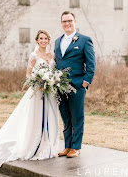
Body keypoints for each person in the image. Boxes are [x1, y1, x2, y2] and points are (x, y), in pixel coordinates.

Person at [0, 30, 59, 167]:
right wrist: (39, 81)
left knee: (50, 117)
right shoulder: (34, 55)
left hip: (50, 92)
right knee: (36, 118)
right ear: (37, 40)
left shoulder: (52, 55)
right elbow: (28, 74)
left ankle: (49, 146)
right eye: (41, 38)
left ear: (48, 40)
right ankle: (34, 147)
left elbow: (54, 71)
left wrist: (52, 80)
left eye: (46, 38)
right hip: (38, 92)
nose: (43, 41)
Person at [54, 11, 96, 158]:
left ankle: (76, 147)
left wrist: (85, 82)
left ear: (75, 21)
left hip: (77, 85)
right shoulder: (57, 41)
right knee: (65, 117)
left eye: (69, 21)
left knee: (77, 117)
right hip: (60, 86)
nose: (67, 23)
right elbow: (57, 62)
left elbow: (91, 63)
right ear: (61, 23)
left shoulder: (85, 40)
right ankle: (67, 146)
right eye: (64, 21)